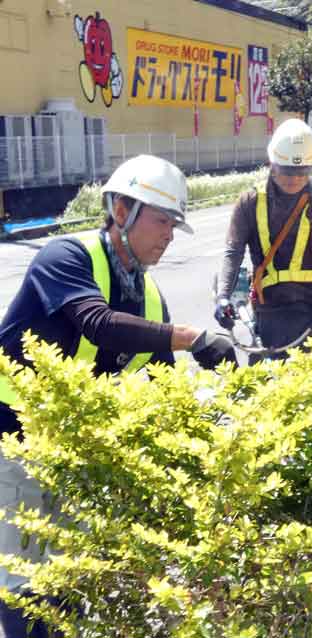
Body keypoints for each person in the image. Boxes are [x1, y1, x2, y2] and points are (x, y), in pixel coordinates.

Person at [0, 154, 236, 636]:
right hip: (11, 438)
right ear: (121, 210)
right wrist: (191, 337)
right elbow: (97, 323)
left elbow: (163, 387)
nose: (168, 234)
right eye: (161, 220)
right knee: (24, 576)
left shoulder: (150, 298)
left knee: (72, 575)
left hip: (71, 447)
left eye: (175, 225)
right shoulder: (65, 257)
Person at [214, 119, 312, 361]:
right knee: (267, 388)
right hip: (269, 313)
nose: (294, 180)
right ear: (272, 164)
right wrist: (223, 295)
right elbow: (233, 252)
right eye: (287, 172)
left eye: (302, 173)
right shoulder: (250, 202)